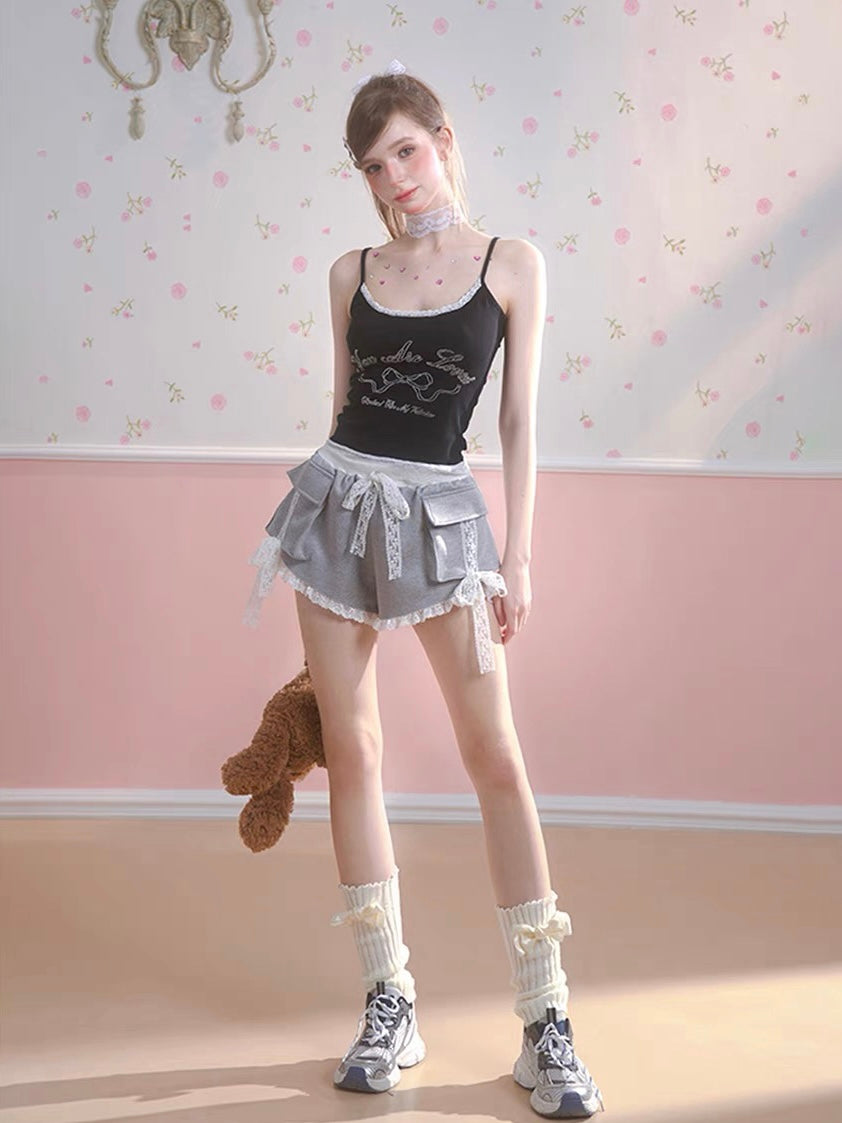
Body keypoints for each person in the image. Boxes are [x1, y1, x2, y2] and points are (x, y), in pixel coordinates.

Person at [243, 61, 603, 1119]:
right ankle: (387, 1001)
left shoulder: (510, 263)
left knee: (496, 757)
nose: (393, 177)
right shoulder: (349, 272)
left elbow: (516, 420)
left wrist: (518, 556)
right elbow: (342, 410)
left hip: (447, 523)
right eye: (372, 165)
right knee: (352, 753)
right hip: (337, 508)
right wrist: (330, 545)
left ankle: (545, 1021)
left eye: (404, 150)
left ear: (441, 140)